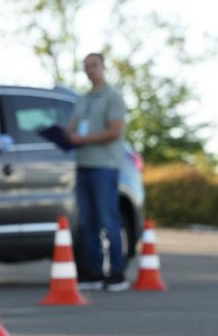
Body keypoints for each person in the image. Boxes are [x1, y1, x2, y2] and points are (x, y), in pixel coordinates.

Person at [65, 52, 129, 292]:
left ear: (103, 67)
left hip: (104, 166)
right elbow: (72, 128)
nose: (90, 70)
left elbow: (114, 131)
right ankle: (92, 272)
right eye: (86, 67)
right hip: (83, 165)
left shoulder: (112, 98)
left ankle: (116, 272)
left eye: (94, 65)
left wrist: (84, 138)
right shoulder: (83, 100)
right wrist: (64, 136)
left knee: (107, 219)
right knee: (87, 222)